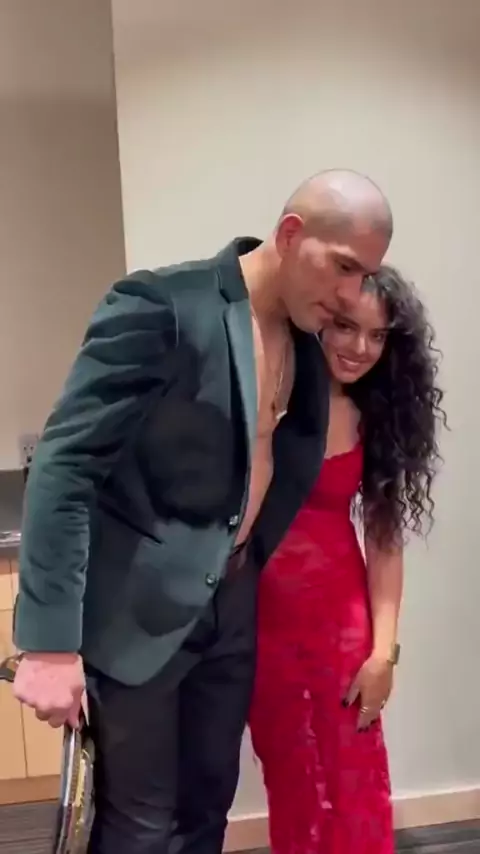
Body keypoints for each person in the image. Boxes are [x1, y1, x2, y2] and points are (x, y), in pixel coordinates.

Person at [12, 170, 393, 854]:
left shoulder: (309, 344)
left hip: (232, 613)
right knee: (139, 826)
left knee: (206, 811)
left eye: (363, 275)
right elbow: (65, 466)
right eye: (342, 267)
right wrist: (49, 642)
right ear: (290, 234)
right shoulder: (161, 306)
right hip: (136, 617)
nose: (349, 294)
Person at [249, 265, 446, 854]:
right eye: (345, 326)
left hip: (342, 627)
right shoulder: (269, 394)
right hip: (259, 625)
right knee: (292, 781)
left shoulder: (375, 411)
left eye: (377, 335)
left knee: (354, 780)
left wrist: (384, 653)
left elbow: (385, 540)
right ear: (317, 320)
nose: (361, 347)